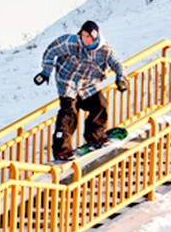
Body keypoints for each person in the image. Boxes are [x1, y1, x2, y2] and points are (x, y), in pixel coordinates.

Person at [34, 20, 129, 160]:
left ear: (95, 37)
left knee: (100, 105)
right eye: (82, 35)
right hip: (67, 81)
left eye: (87, 37)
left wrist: (121, 79)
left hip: (88, 83)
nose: (84, 39)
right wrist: (46, 72)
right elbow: (51, 51)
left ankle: (94, 135)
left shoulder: (105, 50)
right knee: (68, 113)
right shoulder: (71, 42)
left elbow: (117, 64)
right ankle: (62, 149)